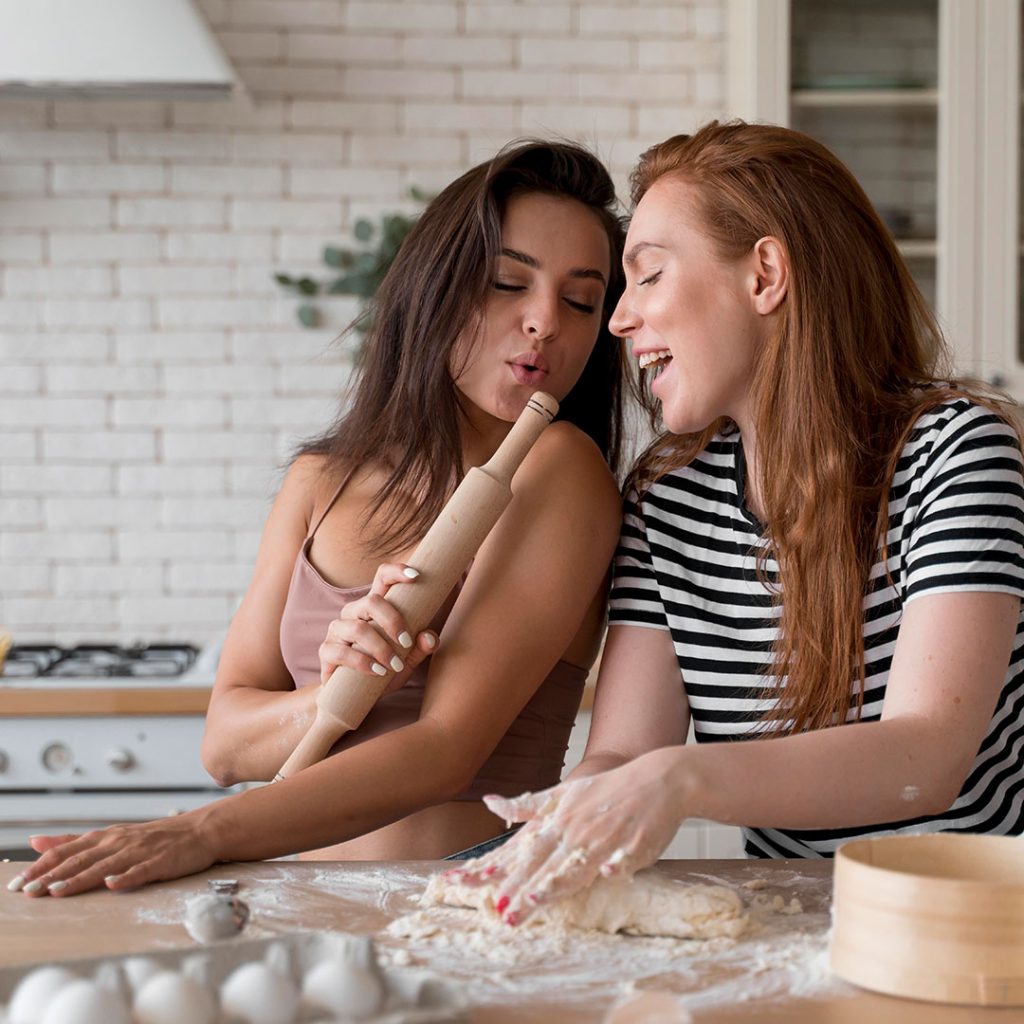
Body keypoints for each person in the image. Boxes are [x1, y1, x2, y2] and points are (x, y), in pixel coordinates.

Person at [10, 140, 629, 897]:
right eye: (509, 282)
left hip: (462, 903)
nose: (543, 322)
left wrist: (197, 832)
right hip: (300, 896)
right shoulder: (319, 480)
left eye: (580, 300)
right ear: (438, 286)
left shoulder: (560, 470)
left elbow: (443, 750)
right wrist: (331, 692)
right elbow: (225, 746)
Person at [447, 120, 1024, 927]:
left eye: (646, 276)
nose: (618, 319)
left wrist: (683, 778)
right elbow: (625, 751)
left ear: (764, 275)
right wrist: (563, 826)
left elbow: (925, 753)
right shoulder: (667, 500)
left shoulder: (955, 453)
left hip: (972, 932)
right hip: (791, 932)